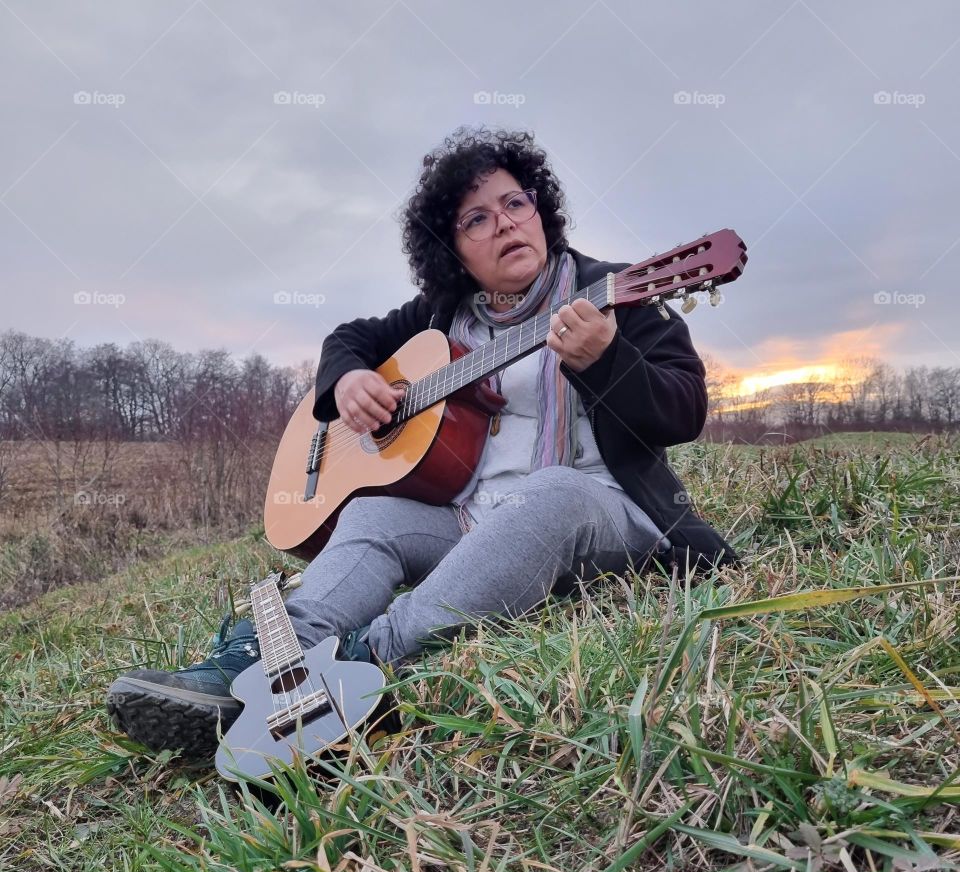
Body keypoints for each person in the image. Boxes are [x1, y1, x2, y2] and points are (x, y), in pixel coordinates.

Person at [106, 126, 739, 757]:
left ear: (541, 211)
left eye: (516, 204)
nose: (505, 224)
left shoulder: (617, 291)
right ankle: (256, 662)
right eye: (476, 220)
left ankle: (364, 659)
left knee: (555, 493)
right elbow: (348, 337)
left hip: (600, 513)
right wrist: (349, 380)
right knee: (374, 513)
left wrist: (607, 361)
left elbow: (683, 412)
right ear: (454, 251)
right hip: (473, 524)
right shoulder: (444, 314)